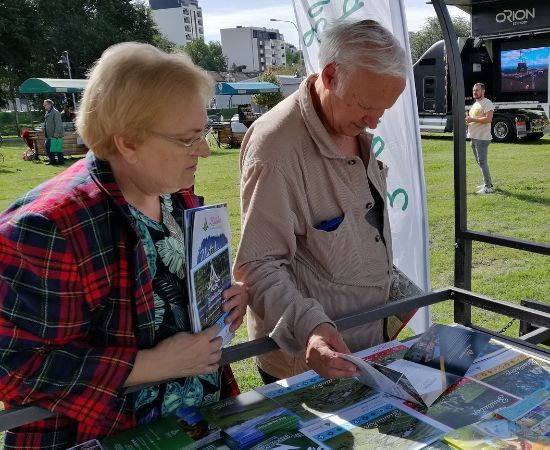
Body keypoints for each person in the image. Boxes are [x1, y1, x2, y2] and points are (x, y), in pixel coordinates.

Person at [0, 42, 248, 449]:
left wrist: (222, 304)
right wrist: (148, 365)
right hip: (102, 436)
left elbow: (168, 300)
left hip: (192, 423)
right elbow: (15, 363)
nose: (203, 149)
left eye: (203, 132)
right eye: (188, 139)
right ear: (128, 143)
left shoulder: (172, 193)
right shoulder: (48, 227)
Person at [235, 19, 409, 383]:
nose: (375, 122)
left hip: (366, 344)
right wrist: (311, 328)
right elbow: (258, 265)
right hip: (310, 363)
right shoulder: (275, 149)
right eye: (365, 106)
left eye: (384, 109)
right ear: (330, 75)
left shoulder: (351, 123)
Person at [466, 82, 495, 194]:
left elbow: (488, 119)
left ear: (483, 91)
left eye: (477, 90)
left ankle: (488, 188)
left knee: (482, 162)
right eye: (474, 90)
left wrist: (472, 120)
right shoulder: (476, 104)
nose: (475, 92)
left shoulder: (487, 103)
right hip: (474, 137)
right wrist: (469, 120)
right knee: (480, 162)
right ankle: (488, 183)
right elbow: (474, 119)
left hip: (482, 138)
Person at [42, 98, 65, 165]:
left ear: (49, 105)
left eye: (45, 104)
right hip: (49, 134)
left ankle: (59, 161)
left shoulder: (55, 112)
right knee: (50, 147)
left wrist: (56, 134)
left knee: (56, 148)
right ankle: (53, 160)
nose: (44, 106)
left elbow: (58, 124)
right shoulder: (47, 112)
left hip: (55, 134)